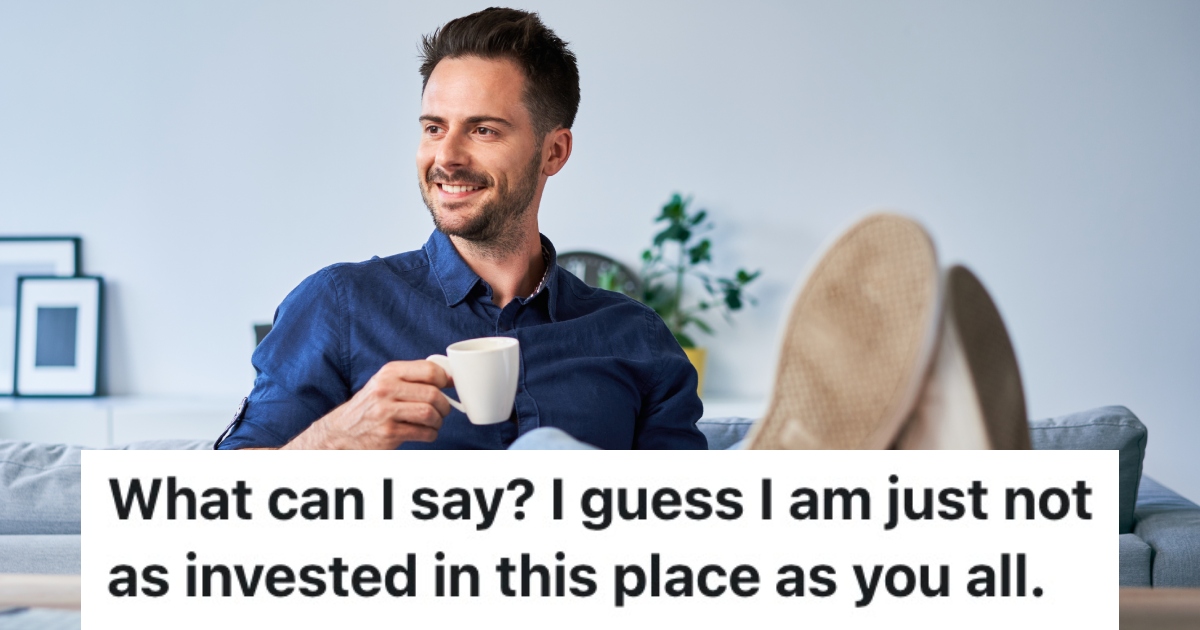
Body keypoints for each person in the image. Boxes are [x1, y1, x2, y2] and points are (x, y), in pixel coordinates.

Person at [215, 8, 707, 451]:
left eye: (483, 130)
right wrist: (336, 440)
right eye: (434, 128)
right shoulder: (338, 304)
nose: (446, 157)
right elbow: (225, 504)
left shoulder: (635, 337)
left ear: (553, 152)